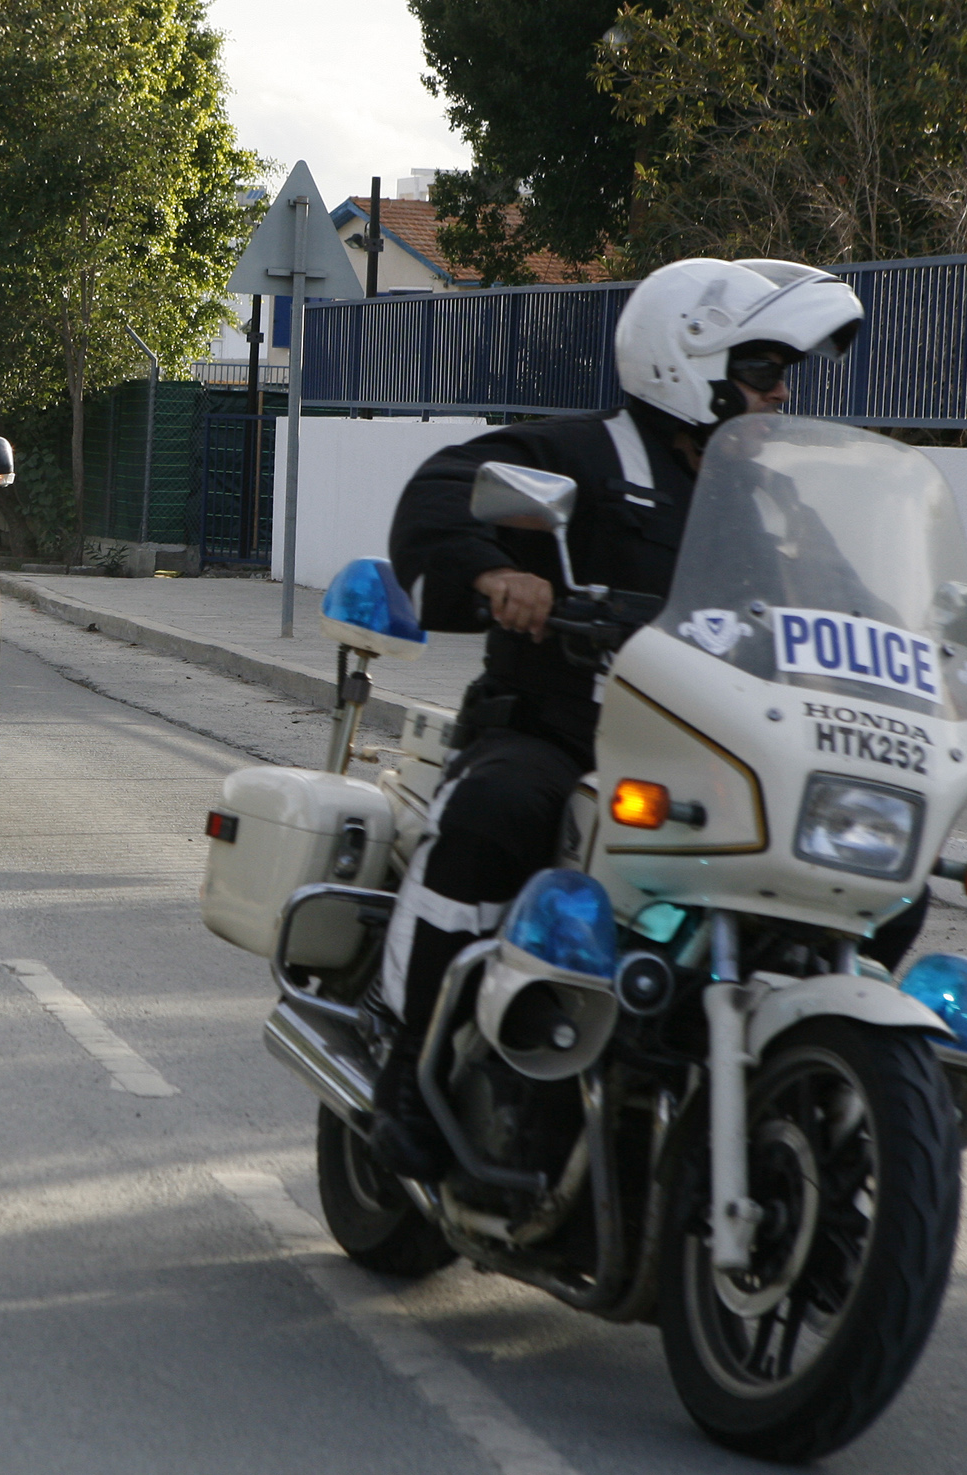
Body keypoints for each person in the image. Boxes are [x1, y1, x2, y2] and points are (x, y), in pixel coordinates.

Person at [371, 256, 906, 1182]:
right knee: (496, 811)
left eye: (783, 375)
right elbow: (440, 492)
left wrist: (914, 652)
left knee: (888, 877)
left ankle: (805, 1081)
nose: (780, 394)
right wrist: (497, 573)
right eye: (762, 372)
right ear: (688, 368)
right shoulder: (576, 456)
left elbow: (853, 610)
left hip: (723, 771)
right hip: (562, 737)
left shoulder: (776, 506)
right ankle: (409, 1079)